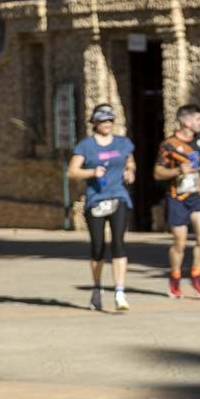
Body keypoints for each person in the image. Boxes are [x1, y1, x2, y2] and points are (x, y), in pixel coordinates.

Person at [67, 104, 136, 312]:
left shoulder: (123, 143)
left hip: (118, 197)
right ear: (95, 123)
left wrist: (130, 172)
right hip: (96, 200)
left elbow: (130, 162)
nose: (107, 124)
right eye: (103, 121)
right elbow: (72, 172)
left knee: (118, 243)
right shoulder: (86, 146)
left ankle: (120, 292)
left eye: (110, 120)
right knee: (98, 247)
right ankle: (97, 289)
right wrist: (91, 173)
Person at [154, 104, 200, 299]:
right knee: (179, 242)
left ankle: (196, 276)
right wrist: (179, 171)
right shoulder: (168, 144)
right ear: (186, 121)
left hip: (199, 196)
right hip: (177, 198)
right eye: (198, 119)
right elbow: (158, 173)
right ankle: (175, 276)